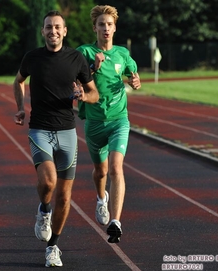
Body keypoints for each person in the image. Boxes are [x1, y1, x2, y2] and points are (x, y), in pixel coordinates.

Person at [13, 10, 99, 267]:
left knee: (64, 196)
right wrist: (20, 107)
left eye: (57, 27)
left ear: (64, 31)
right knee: (48, 182)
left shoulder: (76, 58)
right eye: (48, 27)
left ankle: (53, 247)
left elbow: (94, 93)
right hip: (40, 129)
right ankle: (43, 210)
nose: (53, 31)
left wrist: (83, 96)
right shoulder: (33, 58)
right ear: (43, 32)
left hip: (67, 132)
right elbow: (18, 81)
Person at [76, 5, 141, 244]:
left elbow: (134, 76)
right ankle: (100, 197)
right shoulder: (83, 51)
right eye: (101, 24)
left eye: (109, 24)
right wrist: (93, 67)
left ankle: (115, 222)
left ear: (114, 28)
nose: (106, 28)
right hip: (93, 122)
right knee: (100, 171)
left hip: (118, 121)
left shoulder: (123, 54)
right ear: (94, 27)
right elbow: (74, 81)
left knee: (115, 168)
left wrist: (135, 81)